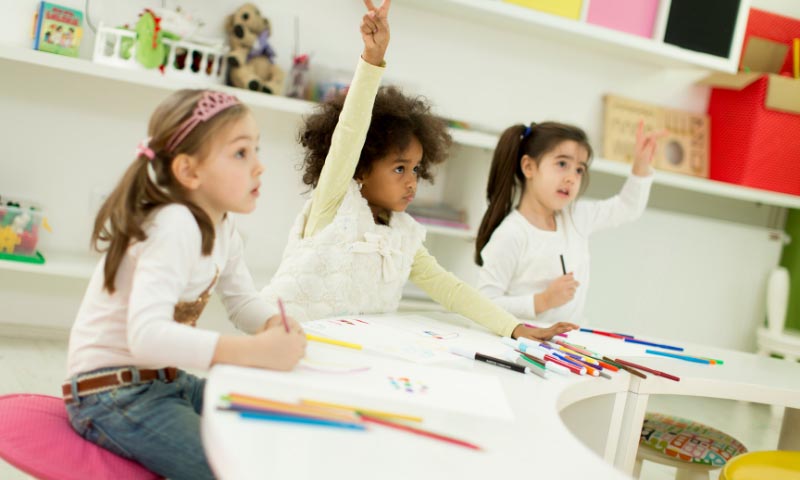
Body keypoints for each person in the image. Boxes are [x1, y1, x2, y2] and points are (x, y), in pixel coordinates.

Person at [261, 0, 575, 341]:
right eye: (399, 168)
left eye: (415, 168)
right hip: (278, 341)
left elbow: (452, 290)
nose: (412, 180)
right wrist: (372, 60)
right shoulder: (334, 204)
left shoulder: (405, 237)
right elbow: (349, 135)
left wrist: (515, 327)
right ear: (361, 169)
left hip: (341, 355)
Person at [64, 88, 306, 480]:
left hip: (163, 382)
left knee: (264, 422)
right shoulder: (174, 224)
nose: (259, 166)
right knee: (231, 466)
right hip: (109, 395)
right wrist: (252, 351)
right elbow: (145, 337)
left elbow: (242, 300)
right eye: (241, 153)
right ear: (189, 171)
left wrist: (271, 324)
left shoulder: (223, 225)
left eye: (257, 150)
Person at [475, 121, 661, 324]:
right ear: (529, 167)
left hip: (567, 344)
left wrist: (641, 168)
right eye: (562, 164)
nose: (572, 178)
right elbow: (483, 305)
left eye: (579, 170)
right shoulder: (512, 234)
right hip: (522, 346)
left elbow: (627, 208)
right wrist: (543, 300)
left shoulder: (576, 217)